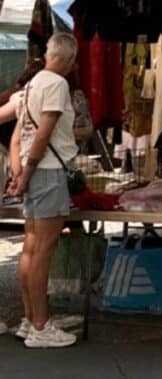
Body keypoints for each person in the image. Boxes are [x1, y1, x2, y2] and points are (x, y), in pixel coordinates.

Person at [6, 33, 80, 347]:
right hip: (47, 171)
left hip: (35, 170)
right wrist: (29, 170)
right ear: (71, 59)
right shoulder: (56, 84)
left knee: (31, 246)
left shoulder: (33, 83)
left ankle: (30, 317)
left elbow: (18, 134)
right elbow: (43, 132)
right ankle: (40, 324)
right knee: (42, 251)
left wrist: (20, 170)